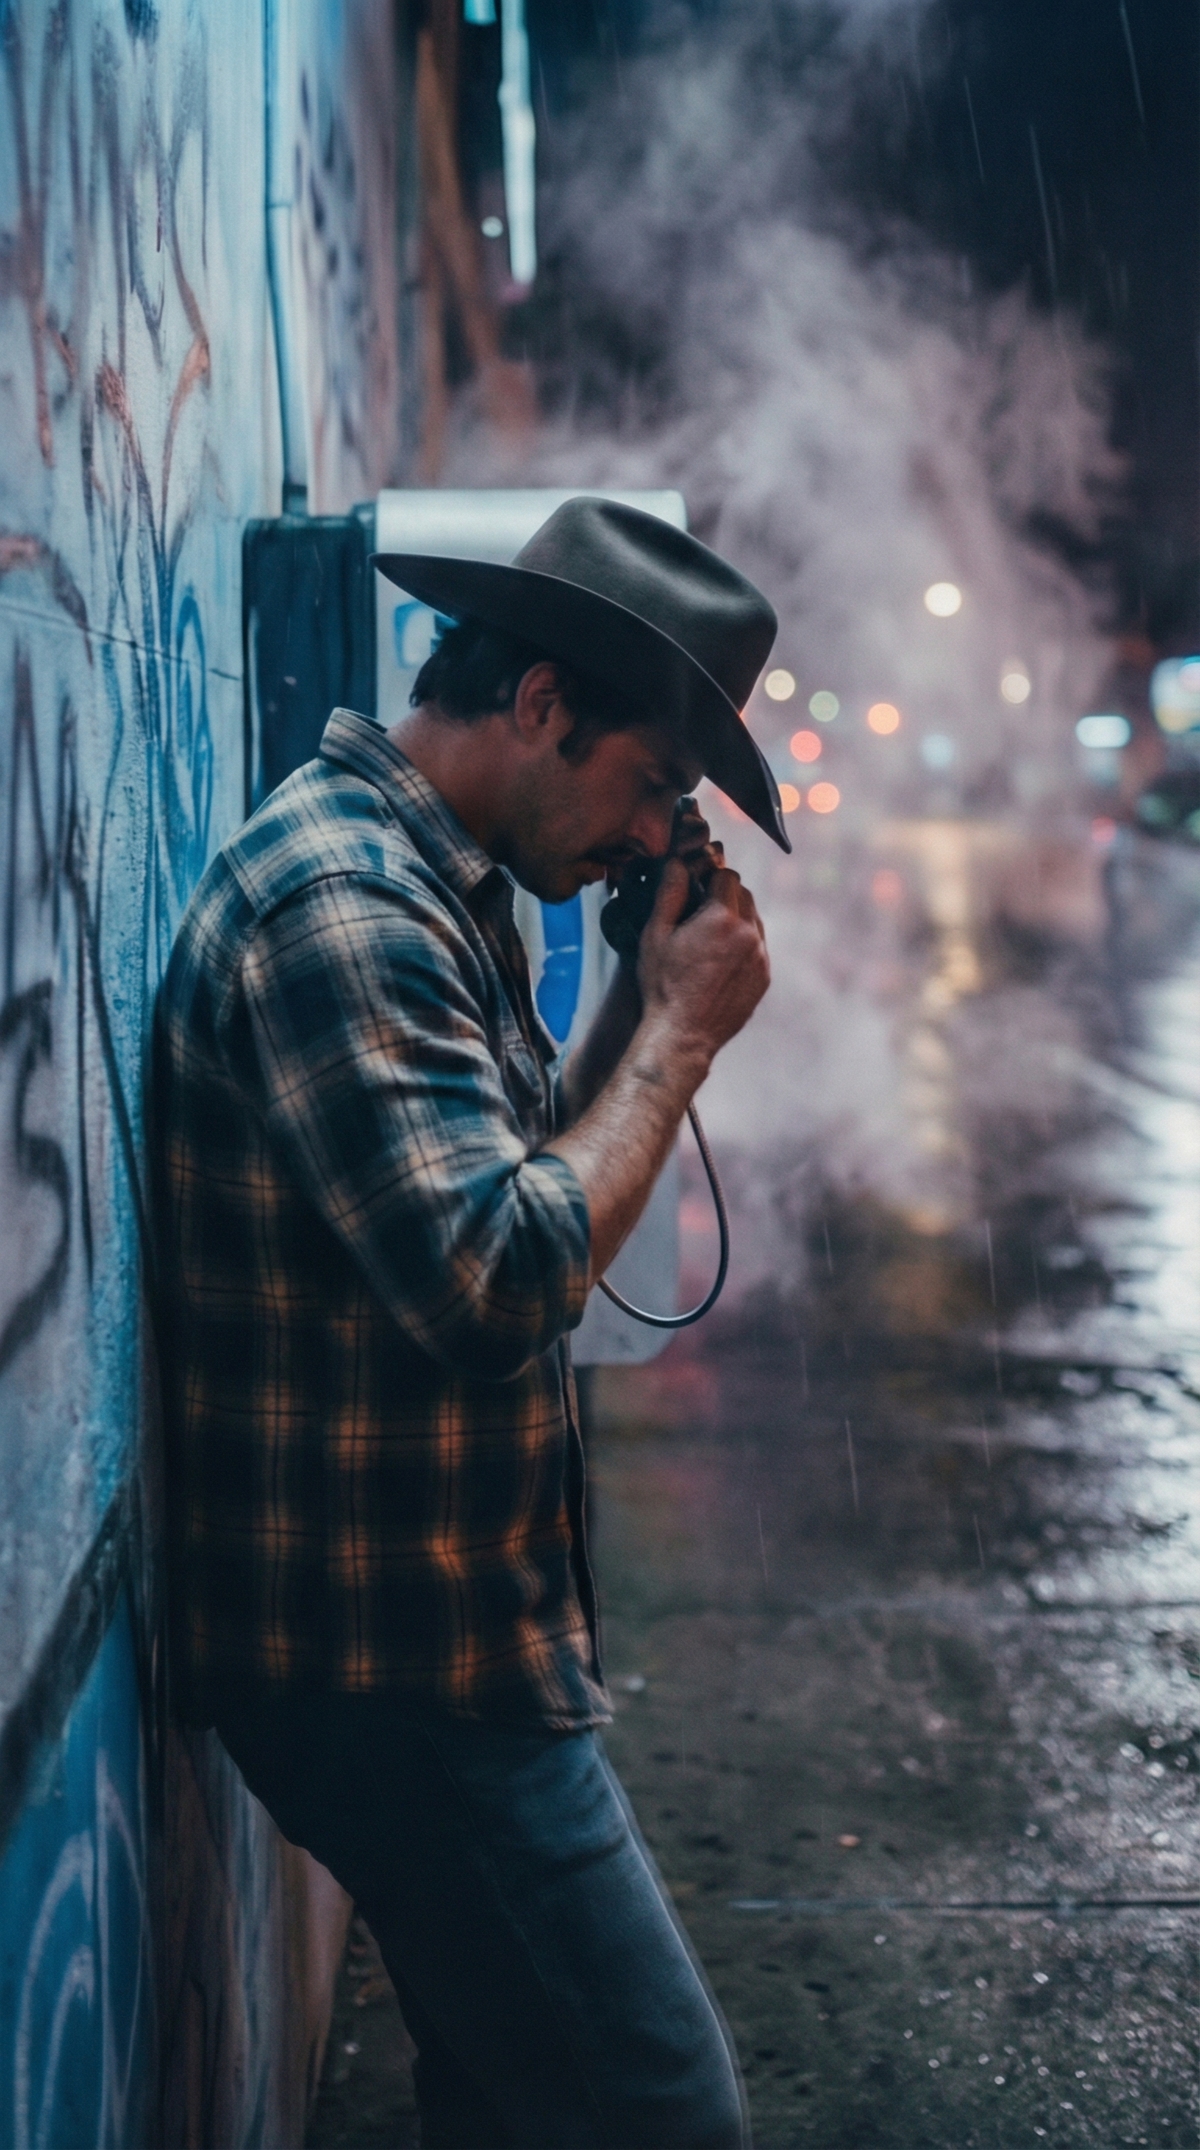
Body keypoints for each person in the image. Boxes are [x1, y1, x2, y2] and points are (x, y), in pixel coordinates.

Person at [155, 497, 788, 2149]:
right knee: (659, 2106)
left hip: (432, 1640)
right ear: (543, 703)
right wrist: (679, 1045)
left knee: (514, 2094)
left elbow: (524, 1175)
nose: (652, 835)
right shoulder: (348, 909)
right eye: (653, 783)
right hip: (398, 1671)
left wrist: (642, 998)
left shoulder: (441, 884)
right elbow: (502, 1271)